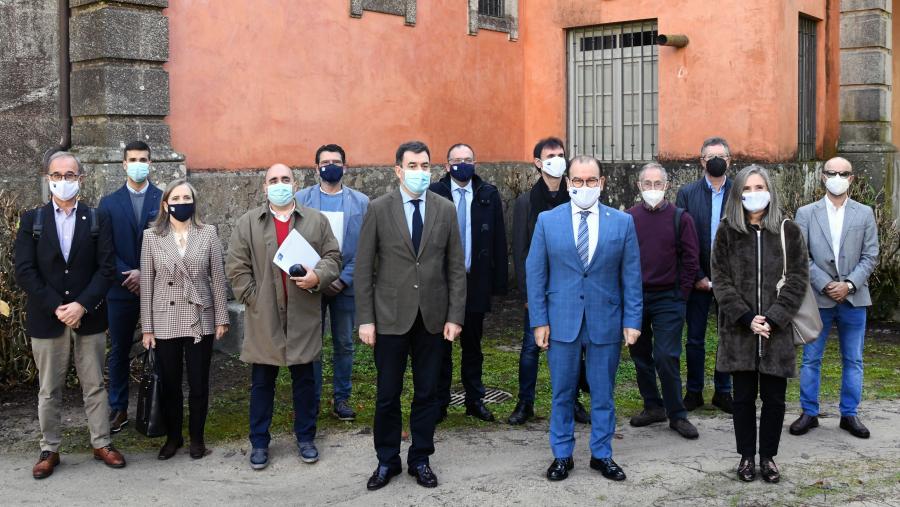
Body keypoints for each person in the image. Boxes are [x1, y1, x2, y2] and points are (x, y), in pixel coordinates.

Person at [355, 141, 466, 491]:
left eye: (425, 165)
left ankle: (420, 458)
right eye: (413, 166)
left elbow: (455, 269)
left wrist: (455, 316)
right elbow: (363, 269)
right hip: (389, 319)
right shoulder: (378, 208)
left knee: (427, 393)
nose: (421, 172)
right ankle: (387, 460)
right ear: (398, 170)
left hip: (432, 318)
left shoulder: (445, 210)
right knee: (387, 393)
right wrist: (366, 319)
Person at [526, 156, 642, 482]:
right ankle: (562, 455)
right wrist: (539, 321)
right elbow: (536, 275)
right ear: (568, 183)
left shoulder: (622, 223)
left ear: (602, 183)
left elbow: (631, 276)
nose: (584, 187)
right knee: (562, 392)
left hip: (605, 318)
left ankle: (601, 455)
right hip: (560, 319)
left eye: (591, 181)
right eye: (577, 181)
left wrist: (633, 320)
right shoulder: (548, 221)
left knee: (603, 392)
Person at [14, 151, 126, 479]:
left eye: (70, 175)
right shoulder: (31, 221)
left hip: (88, 316)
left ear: (81, 179)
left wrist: (81, 305)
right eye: (58, 175)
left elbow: (106, 269)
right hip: (47, 319)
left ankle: (101, 442)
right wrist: (57, 306)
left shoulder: (96, 219)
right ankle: (50, 448)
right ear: (48, 178)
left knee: (94, 385)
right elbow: (24, 271)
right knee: (49, 389)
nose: (64, 181)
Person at [225, 163, 341, 470]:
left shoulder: (316, 221)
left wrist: (318, 277)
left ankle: (305, 438)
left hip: (303, 315)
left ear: (295, 183)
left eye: (285, 179)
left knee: (305, 382)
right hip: (264, 318)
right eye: (273, 180)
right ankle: (259, 442)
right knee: (262, 383)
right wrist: (252, 298)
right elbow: (236, 267)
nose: (280, 184)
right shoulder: (248, 223)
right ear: (264, 188)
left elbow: (333, 258)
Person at [711, 165, 809, 483]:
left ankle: (767, 457)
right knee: (741, 399)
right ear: (738, 195)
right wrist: (746, 318)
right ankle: (745, 457)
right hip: (739, 332)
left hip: (775, 335)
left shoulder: (788, 230)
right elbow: (721, 281)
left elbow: (797, 280)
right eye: (747, 189)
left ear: (770, 190)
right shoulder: (727, 230)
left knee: (774, 400)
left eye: (759, 187)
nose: (754, 194)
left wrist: (774, 318)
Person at [140, 179, 230, 460]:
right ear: (166, 205)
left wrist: (222, 317)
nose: (182, 203)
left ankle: (197, 439)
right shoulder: (151, 236)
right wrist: (147, 327)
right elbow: (146, 283)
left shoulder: (208, 233)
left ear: (194, 202)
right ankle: (173, 437)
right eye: (176, 198)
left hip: (199, 316)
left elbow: (217, 278)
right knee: (170, 384)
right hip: (164, 318)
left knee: (199, 383)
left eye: (187, 198)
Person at [791, 157, 879, 439]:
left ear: (851, 179)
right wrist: (826, 283)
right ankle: (809, 412)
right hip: (818, 298)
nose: (837, 177)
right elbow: (799, 255)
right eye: (832, 172)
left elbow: (871, 255)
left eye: (843, 173)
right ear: (823, 177)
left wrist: (850, 284)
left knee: (853, 359)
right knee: (811, 358)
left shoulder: (865, 213)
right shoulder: (806, 213)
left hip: (854, 299)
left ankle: (849, 414)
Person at [509, 137, 590, 426]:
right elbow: (521, 252)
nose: (557, 159)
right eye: (550, 155)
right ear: (538, 162)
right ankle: (525, 402)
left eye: (561, 154)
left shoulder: (578, 196)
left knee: (575, 347)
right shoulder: (526, 202)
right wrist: (529, 294)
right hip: (540, 289)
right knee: (531, 347)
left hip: (570, 289)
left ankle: (573, 402)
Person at [431, 143, 508, 423]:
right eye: (457, 160)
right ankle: (440, 402)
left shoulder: (487, 193)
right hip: (442, 284)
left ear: (475, 163)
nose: (463, 164)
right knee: (442, 346)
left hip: (475, 281)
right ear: (446, 165)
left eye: (468, 159)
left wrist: (498, 284)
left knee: (473, 346)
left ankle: (475, 400)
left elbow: (499, 239)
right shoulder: (435, 193)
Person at [625, 163, 701, 439]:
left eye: (658, 184)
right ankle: (652, 405)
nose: (653, 189)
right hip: (636, 298)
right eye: (648, 184)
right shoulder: (628, 219)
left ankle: (677, 414)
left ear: (667, 186)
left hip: (670, 298)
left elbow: (691, 260)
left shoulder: (681, 218)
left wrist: (681, 294)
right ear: (639, 186)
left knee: (666, 356)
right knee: (640, 355)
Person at [296, 144, 369, 422]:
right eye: (325, 162)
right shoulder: (301, 199)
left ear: (345, 166)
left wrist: (343, 278)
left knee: (344, 343)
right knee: (312, 343)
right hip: (312, 284)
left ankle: (342, 398)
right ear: (316, 168)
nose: (330, 166)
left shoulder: (361, 202)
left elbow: (365, 246)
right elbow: (296, 241)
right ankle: (311, 399)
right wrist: (318, 278)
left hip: (345, 285)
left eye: (336, 161)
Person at [99, 140, 163, 433]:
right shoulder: (109, 204)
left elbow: (169, 246)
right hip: (120, 289)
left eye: (144, 159)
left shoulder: (163, 200)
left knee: (163, 350)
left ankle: (160, 407)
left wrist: (145, 274)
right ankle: (118, 408)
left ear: (151, 163)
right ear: (124, 164)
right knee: (120, 351)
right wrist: (130, 274)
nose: (139, 164)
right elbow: (104, 250)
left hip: (159, 290)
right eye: (133, 159)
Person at [676, 137, 735, 413]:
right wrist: (697, 274)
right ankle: (695, 391)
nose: (716, 160)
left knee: (729, 336)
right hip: (696, 278)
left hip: (730, 279)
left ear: (729, 160)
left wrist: (729, 277)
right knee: (695, 338)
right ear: (701, 161)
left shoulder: (740, 193)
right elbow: (682, 239)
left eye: (721, 155)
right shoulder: (687, 194)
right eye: (710, 155)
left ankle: (724, 391)